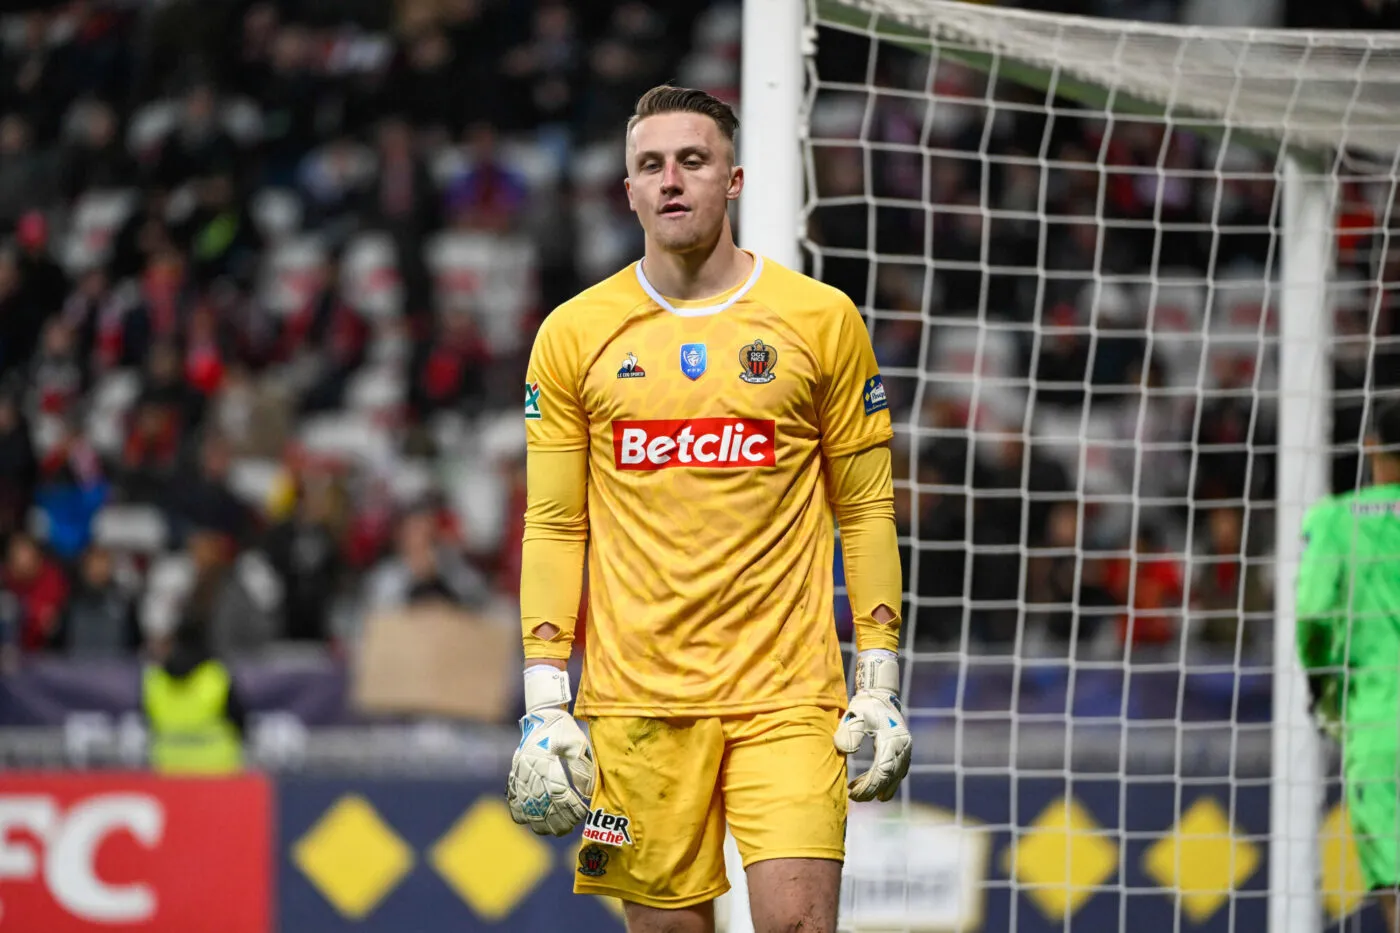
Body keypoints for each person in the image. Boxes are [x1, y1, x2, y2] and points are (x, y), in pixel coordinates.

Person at [505, 85, 911, 933]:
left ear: (732, 178)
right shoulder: (574, 335)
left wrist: (877, 675)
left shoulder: (820, 320)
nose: (671, 180)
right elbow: (554, 524)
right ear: (628, 190)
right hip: (634, 705)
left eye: (692, 160)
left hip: (789, 695)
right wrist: (546, 698)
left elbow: (866, 507)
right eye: (650, 165)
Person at [1297, 398, 1400, 930]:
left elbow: (1313, 614)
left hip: (1380, 726)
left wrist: (1323, 687)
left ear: (1370, 446)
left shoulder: (1336, 521)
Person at [141, 620, 246, 774]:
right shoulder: (216, 676)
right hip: (217, 772)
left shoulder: (154, 680)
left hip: (169, 771)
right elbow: (239, 721)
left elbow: (146, 721)